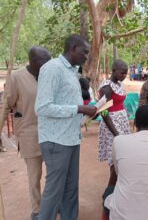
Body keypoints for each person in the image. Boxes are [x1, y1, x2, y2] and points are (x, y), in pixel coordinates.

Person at [35, 34, 97, 220]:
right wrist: (79, 108)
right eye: (85, 51)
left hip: (71, 138)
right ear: (73, 48)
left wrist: (87, 111)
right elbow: (42, 107)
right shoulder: (53, 68)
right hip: (56, 140)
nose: (87, 56)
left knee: (71, 189)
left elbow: (66, 103)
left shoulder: (72, 71)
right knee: (54, 191)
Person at [103, 105, 148, 220]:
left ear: (135, 123)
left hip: (122, 216)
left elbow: (118, 172)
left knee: (109, 191)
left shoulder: (119, 141)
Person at [6, 46, 51, 220]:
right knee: (34, 176)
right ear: (33, 61)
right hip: (29, 133)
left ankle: (51, 203)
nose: (48, 64)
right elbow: (7, 104)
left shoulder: (49, 75)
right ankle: (37, 209)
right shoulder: (17, 77)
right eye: (44, 61)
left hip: (51, 133)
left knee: (53, 173)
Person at [98, 59, 131, 187]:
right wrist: (115, 133)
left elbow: (120, 103)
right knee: (115, 158)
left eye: (125, 74)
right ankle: (110, 191)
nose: (124, 76)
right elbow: (103, 112)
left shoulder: (119, 84)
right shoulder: (107, 87)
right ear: (113, 70)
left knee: (122, 157)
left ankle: (117, 186)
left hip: (122, 121)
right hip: (111, 124)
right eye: (122, 73)